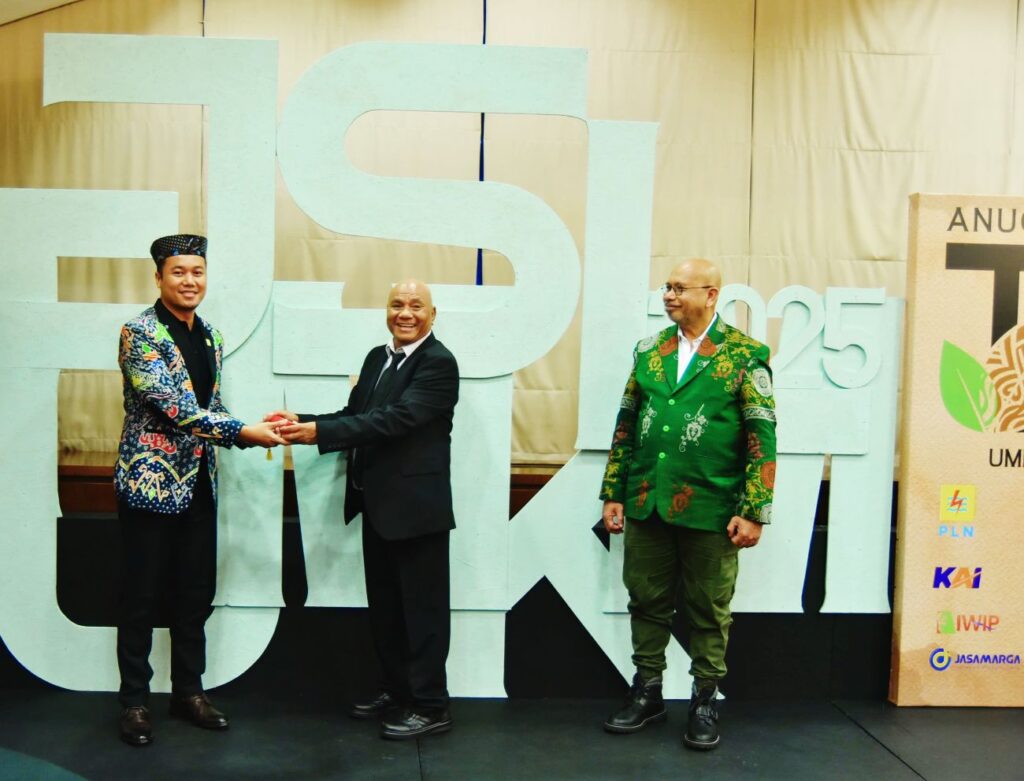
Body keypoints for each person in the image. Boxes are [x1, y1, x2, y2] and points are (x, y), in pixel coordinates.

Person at [114, 234, 286, 747]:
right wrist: (241, 432)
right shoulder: (139, 333)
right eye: (179, 272)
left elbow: (209, 406)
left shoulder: (210, 335)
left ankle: (188, 692)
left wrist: (255, 428)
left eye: (197, 272)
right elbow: (176, 409)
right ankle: (134, 702)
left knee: (194, 594)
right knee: (141, 596)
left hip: (199, 486)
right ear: (159, 277)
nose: (190, 281)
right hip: (149, 484)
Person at [270, 279, 459, 740]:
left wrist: (319, 433)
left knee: (423, 614)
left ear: (433, 315)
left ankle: (430, 705)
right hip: (378, 507)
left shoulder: (439, 362)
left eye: (416, 306)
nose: (405, 313)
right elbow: (356, 413)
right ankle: (397, 691)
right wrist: (305, 422)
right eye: (397, 304)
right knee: (387, 610)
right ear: (386, 310)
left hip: (417, 512)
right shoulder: (378, 358)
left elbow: (396, 420)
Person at [599, 258, 776, 751]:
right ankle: (647, 692)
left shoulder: (746, 354)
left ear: (711, 294)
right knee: (646, 600)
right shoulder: (648, 351)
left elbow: (762, 436)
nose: (669, 295)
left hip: (712, 508)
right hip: (646, 501)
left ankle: (704, 700)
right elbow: (625, 424)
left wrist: (755, 509)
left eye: (680, 288)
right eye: (667, 287)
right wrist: (614, 491)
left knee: (708, 608)